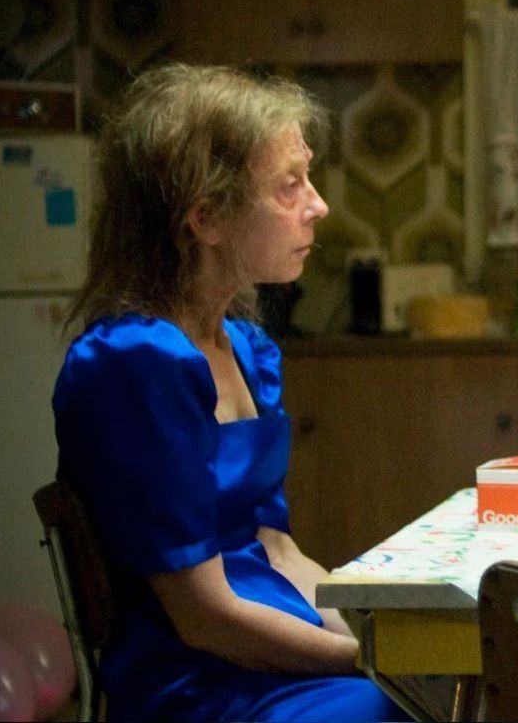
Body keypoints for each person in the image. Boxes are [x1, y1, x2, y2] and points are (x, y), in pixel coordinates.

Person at [52, 64, 402, 723]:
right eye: (289, 185)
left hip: (269, 644)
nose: (318, 205)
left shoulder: (245, 348)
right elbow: (204, 618)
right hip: (197, 682)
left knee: (454, 695)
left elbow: (279, 553)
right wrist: (365, 661)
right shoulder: (136, 363)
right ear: (207, 217)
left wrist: (384, 642)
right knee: (399, 706)